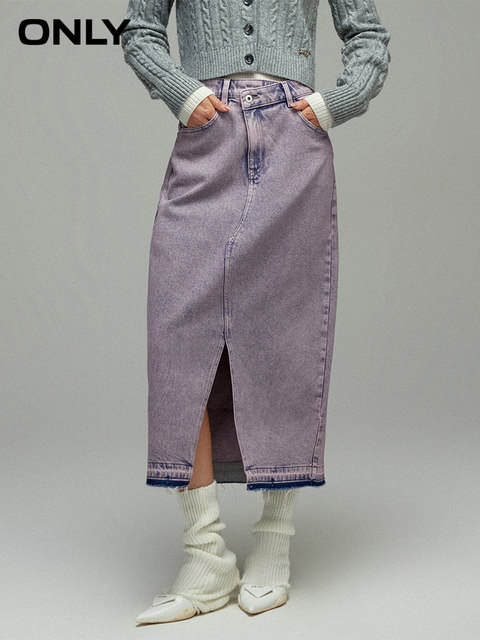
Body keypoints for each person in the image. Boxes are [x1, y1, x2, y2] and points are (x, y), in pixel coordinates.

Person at [121, 0, 391, 625]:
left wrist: (334, 104)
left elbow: (367, 34)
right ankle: (205, 554)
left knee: (284, 335)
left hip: (295, 138)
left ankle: (275, 537)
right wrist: (183, 94)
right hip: (206, 134)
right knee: (177, 338)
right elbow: (139, 29)